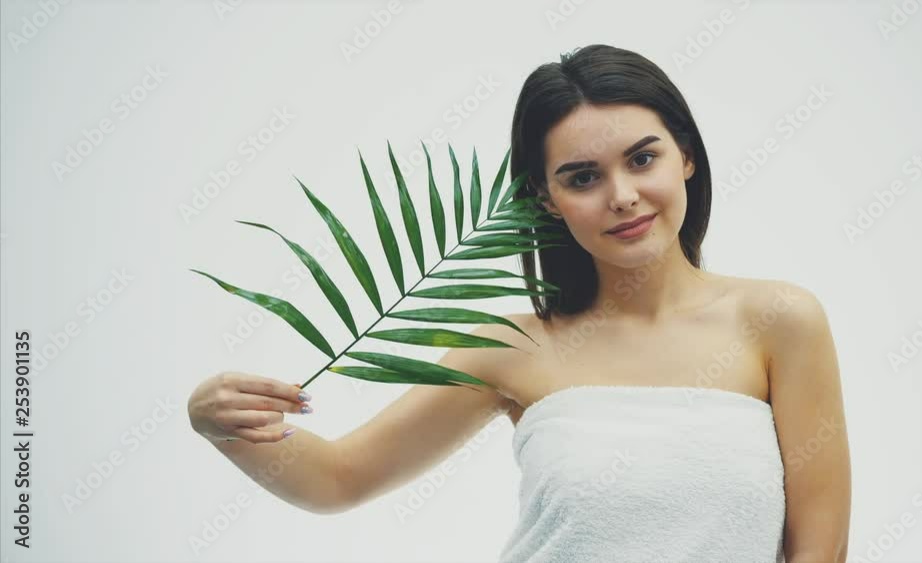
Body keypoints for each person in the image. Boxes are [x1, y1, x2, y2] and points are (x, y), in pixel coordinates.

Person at [187, 44, 851, 562]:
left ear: (685, 156)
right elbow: (339, 476)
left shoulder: (779, 322)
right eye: (583, 177)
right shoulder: (510, 347)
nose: (621, 194)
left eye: (641, 158)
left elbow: (819, 550)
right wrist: (222, 423)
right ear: (545, 199)